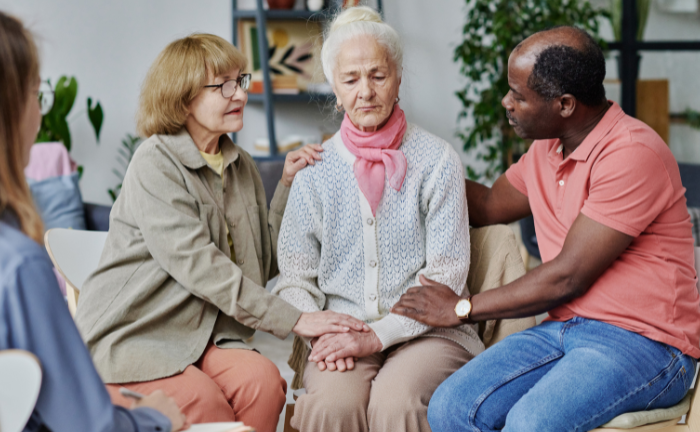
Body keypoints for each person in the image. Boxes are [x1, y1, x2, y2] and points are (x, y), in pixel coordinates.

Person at [389, 26, 700, 432]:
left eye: (518, 95)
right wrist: (408, 163)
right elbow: (486, 205)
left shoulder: (631, 153)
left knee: (529, 424)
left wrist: (462, 307)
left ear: (565, 104)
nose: (506, 102)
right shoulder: (548, 149)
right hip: (564, 330)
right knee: (451, 407)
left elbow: (567, 276)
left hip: (647, 343)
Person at [73, 33, 368, 432]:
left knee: (265, 385)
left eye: (240, 81)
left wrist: (285, 186)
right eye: (223, 86)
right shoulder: (155, 162)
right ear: (183, 99)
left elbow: (261, 265)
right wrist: (297, 319)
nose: (240, 95)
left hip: (201, 337)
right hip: (138, 335)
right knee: (207, 403)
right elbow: (202, 268)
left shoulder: (239, 163)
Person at [271, 6, 484, 432]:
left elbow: (446, 274)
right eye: (351, 79)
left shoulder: (437, 160)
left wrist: (380, 333)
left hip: (430, 332)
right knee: (331, 407)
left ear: (398, 78)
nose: (365, 91)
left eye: (378, 75)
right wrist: (320, 330)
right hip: (339, 333)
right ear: (335, 88)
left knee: (395, 404)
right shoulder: (313, 170)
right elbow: (293, 277)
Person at [0, 11, 186, 432]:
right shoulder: (20, 266)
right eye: (35, 94)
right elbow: (89, 427)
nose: (39, 113)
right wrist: (155, 420)